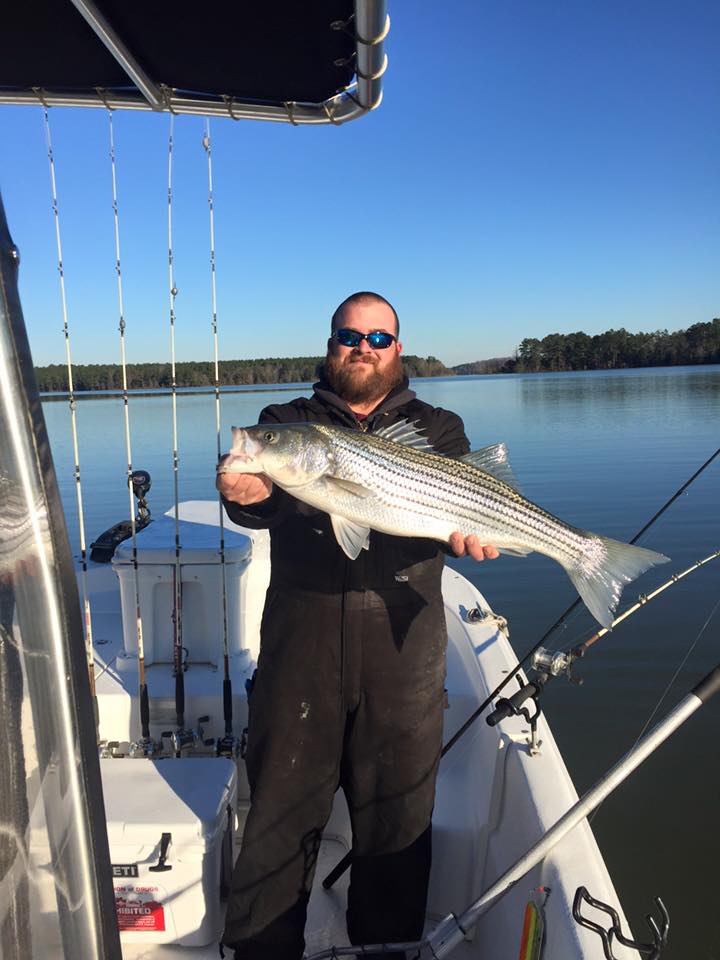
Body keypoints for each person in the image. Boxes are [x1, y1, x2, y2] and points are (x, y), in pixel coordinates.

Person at [218, 292, 497, 959]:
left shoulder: (439, 428)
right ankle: (260, 949)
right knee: (280, 814)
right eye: (349, 336)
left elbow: (457, 508)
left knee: (397, 821)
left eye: (378, 339)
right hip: (302, 645)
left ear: (397, 349)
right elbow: (262, 497)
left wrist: (475, 533)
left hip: (405, 649)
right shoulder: (288, 423)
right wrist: (247, 495)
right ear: (330, 343)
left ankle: (388, 949)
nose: (362, 349)